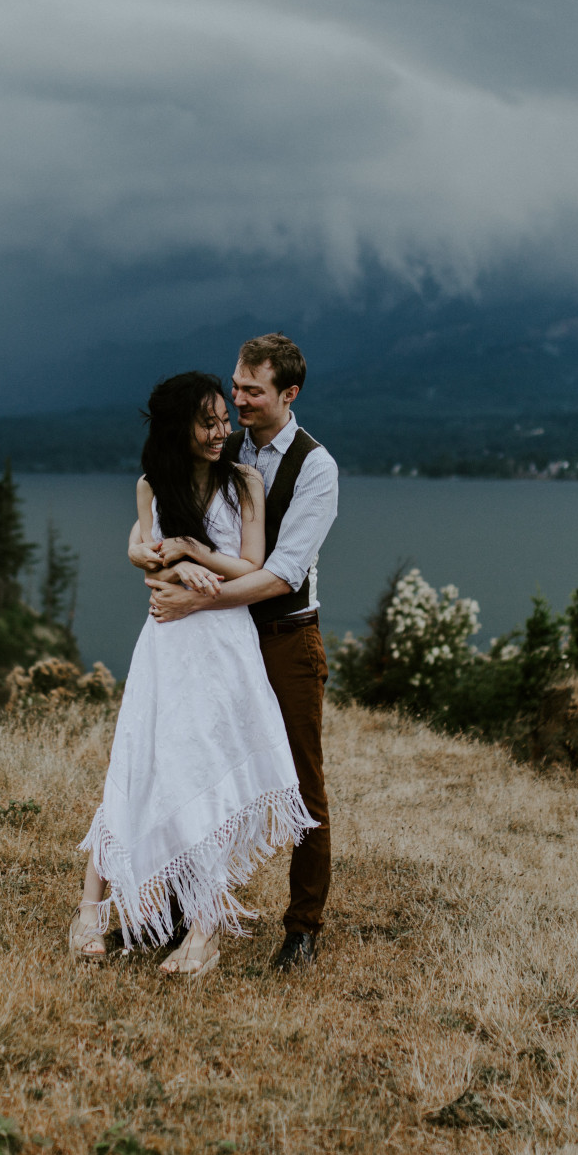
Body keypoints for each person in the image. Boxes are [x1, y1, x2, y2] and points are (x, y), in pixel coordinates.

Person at [69, 370, 318, 976]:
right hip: (167, 643)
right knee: (138, 762)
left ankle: (204, 932)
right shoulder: (152, 486)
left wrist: (194, 555)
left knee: (209, 771)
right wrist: (169, 565)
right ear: (181, 428)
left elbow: (251, 564)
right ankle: (89, 911)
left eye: (224, 420)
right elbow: (149, 559)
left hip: (227, 645)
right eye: (208, 422)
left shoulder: (245, 481)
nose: (221, 431)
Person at [142, 334, 339, 972]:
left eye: (252, 391)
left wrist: (197, 598)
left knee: (301, 785)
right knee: (195, 769)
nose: (237, 401)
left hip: (283, 639)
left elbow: (281, 575)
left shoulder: (316, 468)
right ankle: (180, 910)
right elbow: (165, 522)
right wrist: (155, 562)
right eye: (236, 387)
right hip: (221, 646)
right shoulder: (223, 445)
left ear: (289, 394)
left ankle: (303, 927)